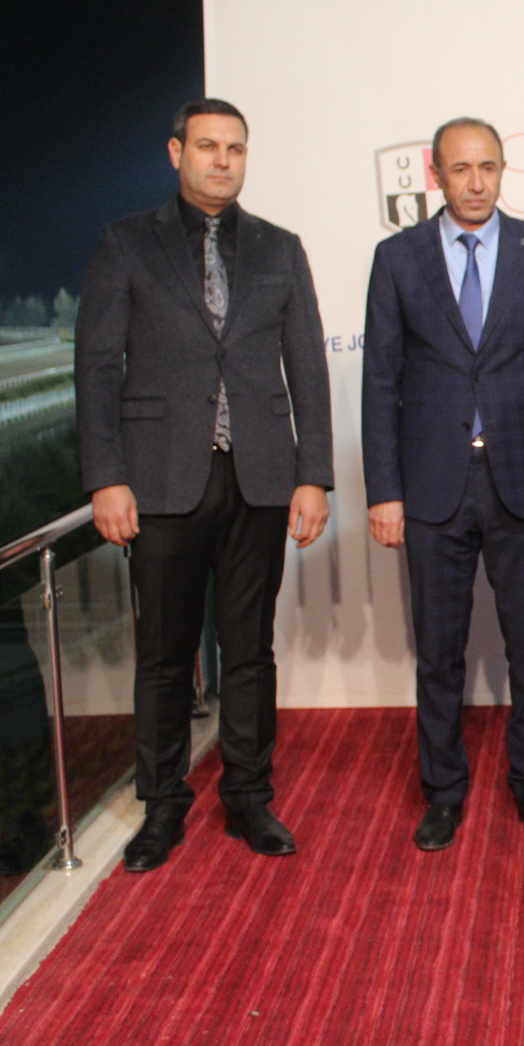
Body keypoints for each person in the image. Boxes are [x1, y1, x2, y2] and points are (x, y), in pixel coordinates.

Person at [76, 98, 333, 873]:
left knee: (249, 651)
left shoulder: (280, 247)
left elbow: (308, 367)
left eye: (236, 149)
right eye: (208, 146)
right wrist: (106, 478)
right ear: (176, 152)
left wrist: (314, 475)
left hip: (260, 477)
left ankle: (249, 797)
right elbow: (96, 368)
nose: (223, 160)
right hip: (159, 480)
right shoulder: (126, 242)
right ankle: (161, 806)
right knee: (164, 654)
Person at [361, 118, 524, 851]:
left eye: (488, 167)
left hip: (523, 480)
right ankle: (443, 792)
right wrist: (384, 491)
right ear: (436, 174)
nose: (476, 182)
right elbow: (380, 383)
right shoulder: (397, 258)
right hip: (432, 486)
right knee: (439, 653)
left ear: (501, 171)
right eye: (461, 169)